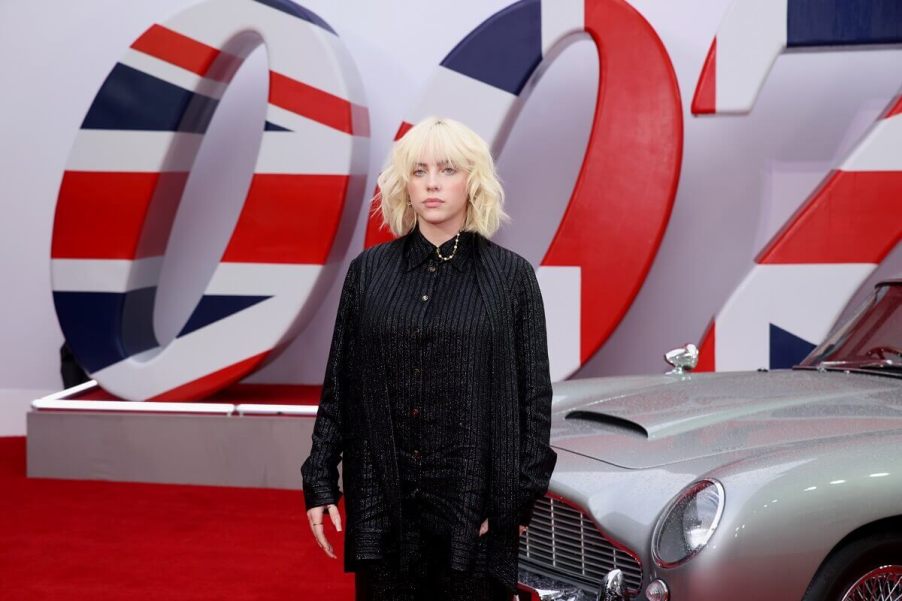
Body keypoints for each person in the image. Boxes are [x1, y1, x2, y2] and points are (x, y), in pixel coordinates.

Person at [301, 116, 557, 601]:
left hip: (473, 508)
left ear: (473, 181)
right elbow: (340, 385)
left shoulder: (511, 279)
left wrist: (513, 503)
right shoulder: (368, 274)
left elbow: (533, 402)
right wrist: (319, 478)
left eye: (448, 169)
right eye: (419, 171)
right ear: (404, 183)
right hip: (383, 499)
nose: (433, 183)